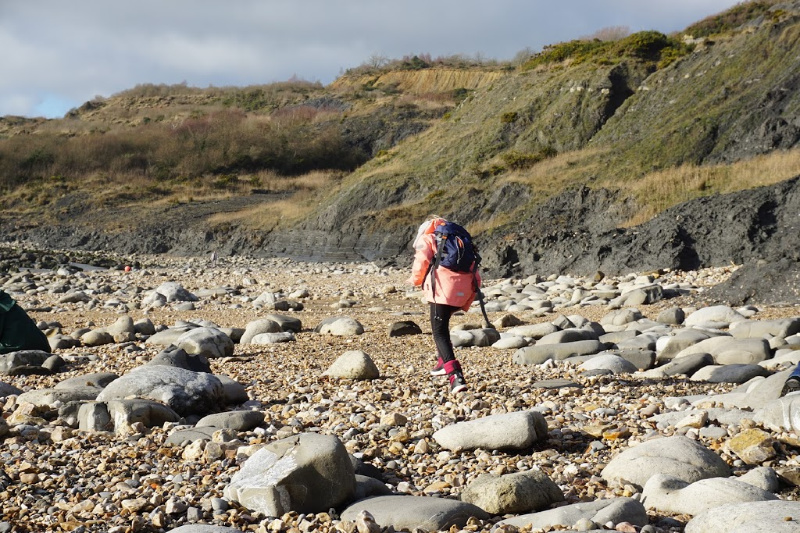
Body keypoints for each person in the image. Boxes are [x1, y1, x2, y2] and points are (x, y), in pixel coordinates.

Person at [406, 216, 481, 394]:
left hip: (442, 289)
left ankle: (455, 376)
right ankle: (442, 362)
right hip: (463, 288)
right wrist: (472, 293)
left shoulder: (430, 237)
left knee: (438, 331)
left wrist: (415, 281)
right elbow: (474, 265)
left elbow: (421, 261)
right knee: (443, 325)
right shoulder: (460, 239)